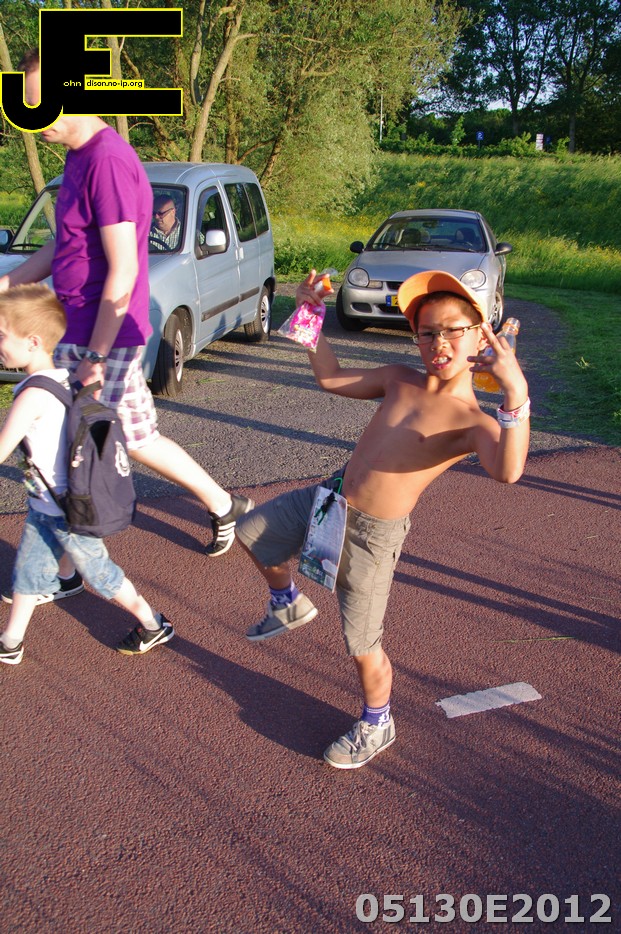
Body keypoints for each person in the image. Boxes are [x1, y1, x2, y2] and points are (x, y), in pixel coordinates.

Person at [235, 269, 530, 770]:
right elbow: (330, 377)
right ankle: (286, 601)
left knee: (361, 643)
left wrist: (515, 392)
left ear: (482, 337)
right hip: (329, 497)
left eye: (453, 330)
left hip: (373, 536)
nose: (439, 343)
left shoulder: (472, 422)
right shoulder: (398, 378)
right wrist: (310, 313)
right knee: (251, 532)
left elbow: (508, 471)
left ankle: (377, 721)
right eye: (427, 332)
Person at [0, 49, 251, 606]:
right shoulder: (77, 158)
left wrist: (96, 353)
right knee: (72, 443)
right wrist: (9, 283)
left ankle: (220, 504)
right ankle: (67, 568)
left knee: (127, 440)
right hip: (76, 329)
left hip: (104, 336)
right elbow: (63, 244)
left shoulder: (108, 161)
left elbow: (124, 269)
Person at [0, 284, 175, 665]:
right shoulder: (63, 378)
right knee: (28, 571)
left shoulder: (31, 395)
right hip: (51, 503)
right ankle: (11, 641)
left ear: (32, 341)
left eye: (2, 336)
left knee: (101, 574)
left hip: (67, 511)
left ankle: (153, 622)